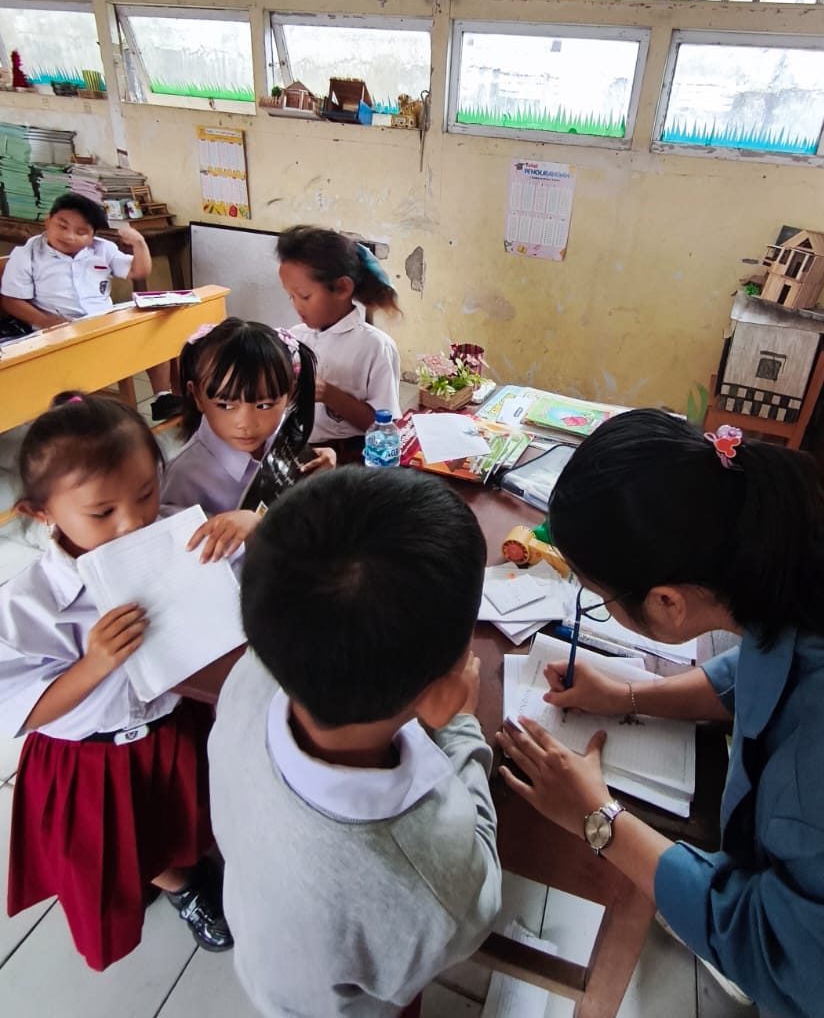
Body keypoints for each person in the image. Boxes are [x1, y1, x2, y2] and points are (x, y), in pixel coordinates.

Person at [497, 409, 824, 1018]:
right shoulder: (816, 541)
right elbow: (770, 661)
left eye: (601, 598)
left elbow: (787, 963)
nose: (600, 605)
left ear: (666, 603)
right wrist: (629, 697)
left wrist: (596, 817)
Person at [208, 466, 501, 1017]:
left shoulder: (252, 675)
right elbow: (478, 904)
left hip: (268, 945)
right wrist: (461, 726)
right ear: (439, 695)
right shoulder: (424, 872)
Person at [0, 393, 232, 971]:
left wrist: (247, 526)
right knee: (114, 845)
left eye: (147, 495)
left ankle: (183, 868)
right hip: (93, 762)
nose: (133, 524)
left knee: (180, 815)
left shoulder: (174, 542)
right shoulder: (29, 605)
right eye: (102, 514)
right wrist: (93, 663)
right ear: (41, 513)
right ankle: (180, 885)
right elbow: (21, 709)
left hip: (172, 728)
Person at [161, 318, 335, 562]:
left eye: (264, 405)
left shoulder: (280, 440)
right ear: (197, 396)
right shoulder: (182, 478)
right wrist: (251, 531)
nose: (246, 423)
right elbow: (182, 562)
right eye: (225, 405)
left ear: (290, 392)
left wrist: (321, 469)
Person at [0, 192, 178, 420]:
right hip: (59, 333)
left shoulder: (102, 249)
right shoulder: (27, 255)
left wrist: (139, 243)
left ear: (93, 234)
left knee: (154, 330)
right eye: (62, 226)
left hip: (104, 325)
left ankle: (162, 397)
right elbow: (11, 300)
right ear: (48, 221)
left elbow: (138, 271)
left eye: (81, 232)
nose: (69, 236)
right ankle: (76, 410)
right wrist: (44, 321)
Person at [276, 226, 401, 446]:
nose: (297, 306)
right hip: (301, 448)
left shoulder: (375, 346)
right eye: (290, 297)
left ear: (342, 288)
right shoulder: (295, 338)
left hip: (352, 454)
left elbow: (384, 428)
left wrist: (330, 394)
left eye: (305, 296)